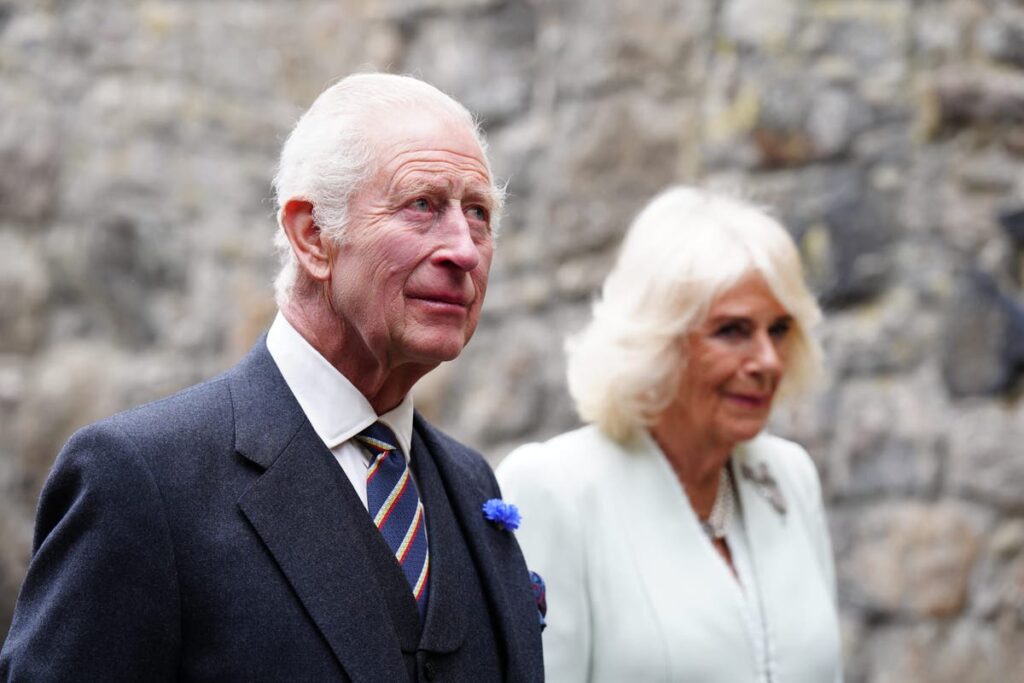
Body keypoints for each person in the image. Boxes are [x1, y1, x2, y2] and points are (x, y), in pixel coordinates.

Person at [0, 73, 544, 682]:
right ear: (312, 236)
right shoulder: (141, 479)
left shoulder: (472, 487)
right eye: (422, 205)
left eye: (478, 214)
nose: (464, 250)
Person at [497, 186, 842, 682]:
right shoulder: (556, 487)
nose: (768, 360)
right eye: (733, 330)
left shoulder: (788, 476)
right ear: (656, 342)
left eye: (780, 329)